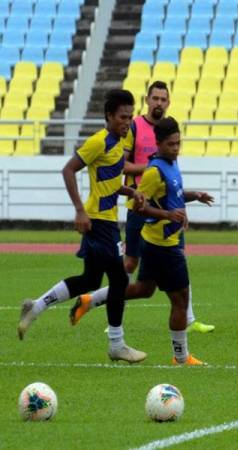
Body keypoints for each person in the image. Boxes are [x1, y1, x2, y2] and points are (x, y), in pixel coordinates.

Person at [69, 81, 214, 334]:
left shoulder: (170, 136)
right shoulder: (133, 126)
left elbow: (172, 183)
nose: (159, 102)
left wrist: (182, 201)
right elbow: (120, 164)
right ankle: (106, 308)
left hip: (163, 212)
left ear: (168, 102)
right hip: (141, 205)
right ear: (147, 100)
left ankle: (186, 319)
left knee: (149, 281)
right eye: (155, 98)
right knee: (128, 267)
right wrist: (151, 171)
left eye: (163, 99)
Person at [17, 89, 146, 363]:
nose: (127, 122)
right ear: (109, 116)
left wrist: (130, 192)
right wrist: (79, 210)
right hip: (98, 222)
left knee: (90, 280)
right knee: (120, 280)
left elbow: (109, 183)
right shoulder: (98, 142)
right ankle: (116, 344)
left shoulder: (117, 145)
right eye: (123, 117)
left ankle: (35, 306)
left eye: (130, 117)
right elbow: (68, 169)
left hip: (105, 221)